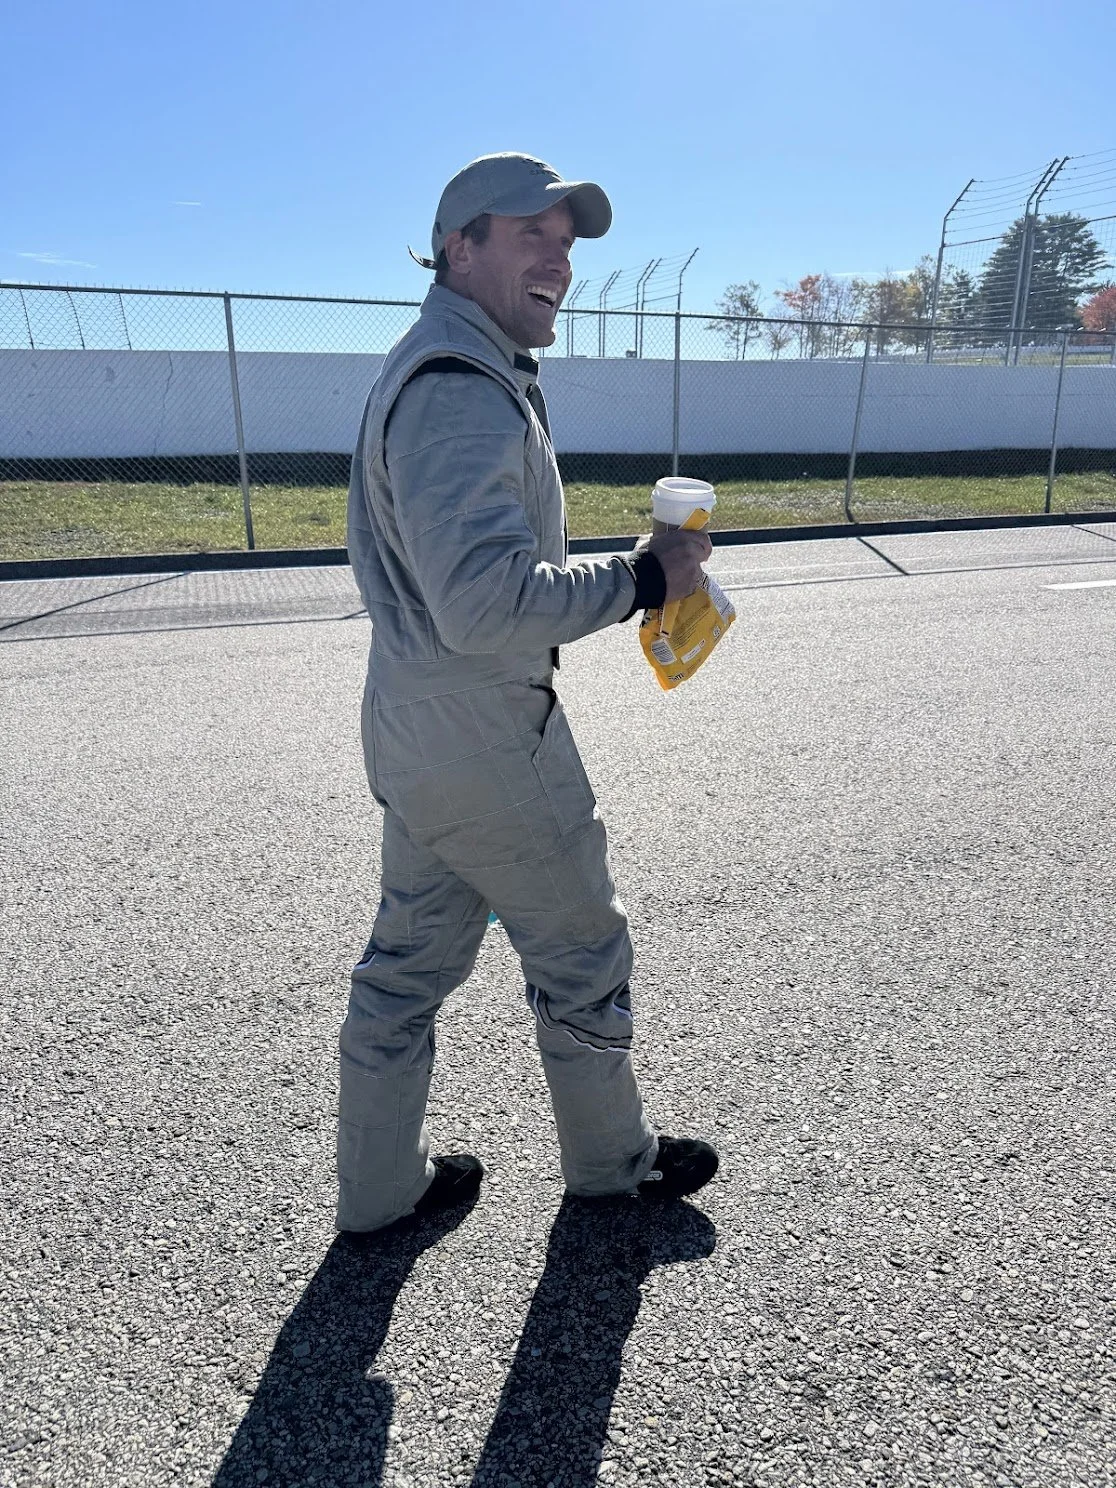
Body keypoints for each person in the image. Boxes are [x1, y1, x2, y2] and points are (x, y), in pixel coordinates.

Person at [338, 151, 719, 1236]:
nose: (559, 258)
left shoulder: (441, 364)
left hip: (413, 723)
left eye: (567, 240)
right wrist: (645, 577)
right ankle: (613, 1164)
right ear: (461, 246)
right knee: (582, 950)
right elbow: (484, 603)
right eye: (529, 235)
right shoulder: (461, 388)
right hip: (486, 731)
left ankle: (377, 1191)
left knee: (406, 966)